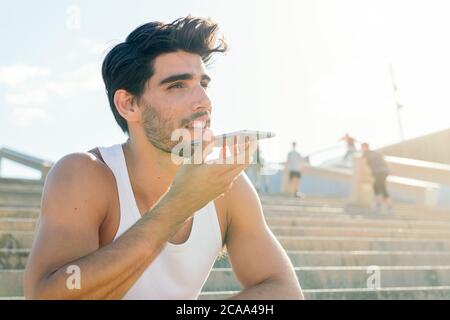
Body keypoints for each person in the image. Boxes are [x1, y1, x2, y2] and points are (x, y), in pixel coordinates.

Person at [24, 16, 303, 300]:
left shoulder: (228, 188)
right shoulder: (84, 174)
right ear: (129, 104)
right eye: (177, 86)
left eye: (203, 83)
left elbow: (283, 290)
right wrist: (178, 205)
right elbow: (48, 296)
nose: (204, 102)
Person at [361, 142, 393, 214]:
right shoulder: (376, 152)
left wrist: (365, 173)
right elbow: (385, 160)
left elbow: (363, 165)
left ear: (365, 147)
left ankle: (389, 207)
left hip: (378, 172)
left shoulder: (366, 154)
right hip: (384, 171)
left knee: (382, 189)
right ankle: (379, 205)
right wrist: (390, 170)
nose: (361, 149)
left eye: (362, 148)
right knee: (376, 187)